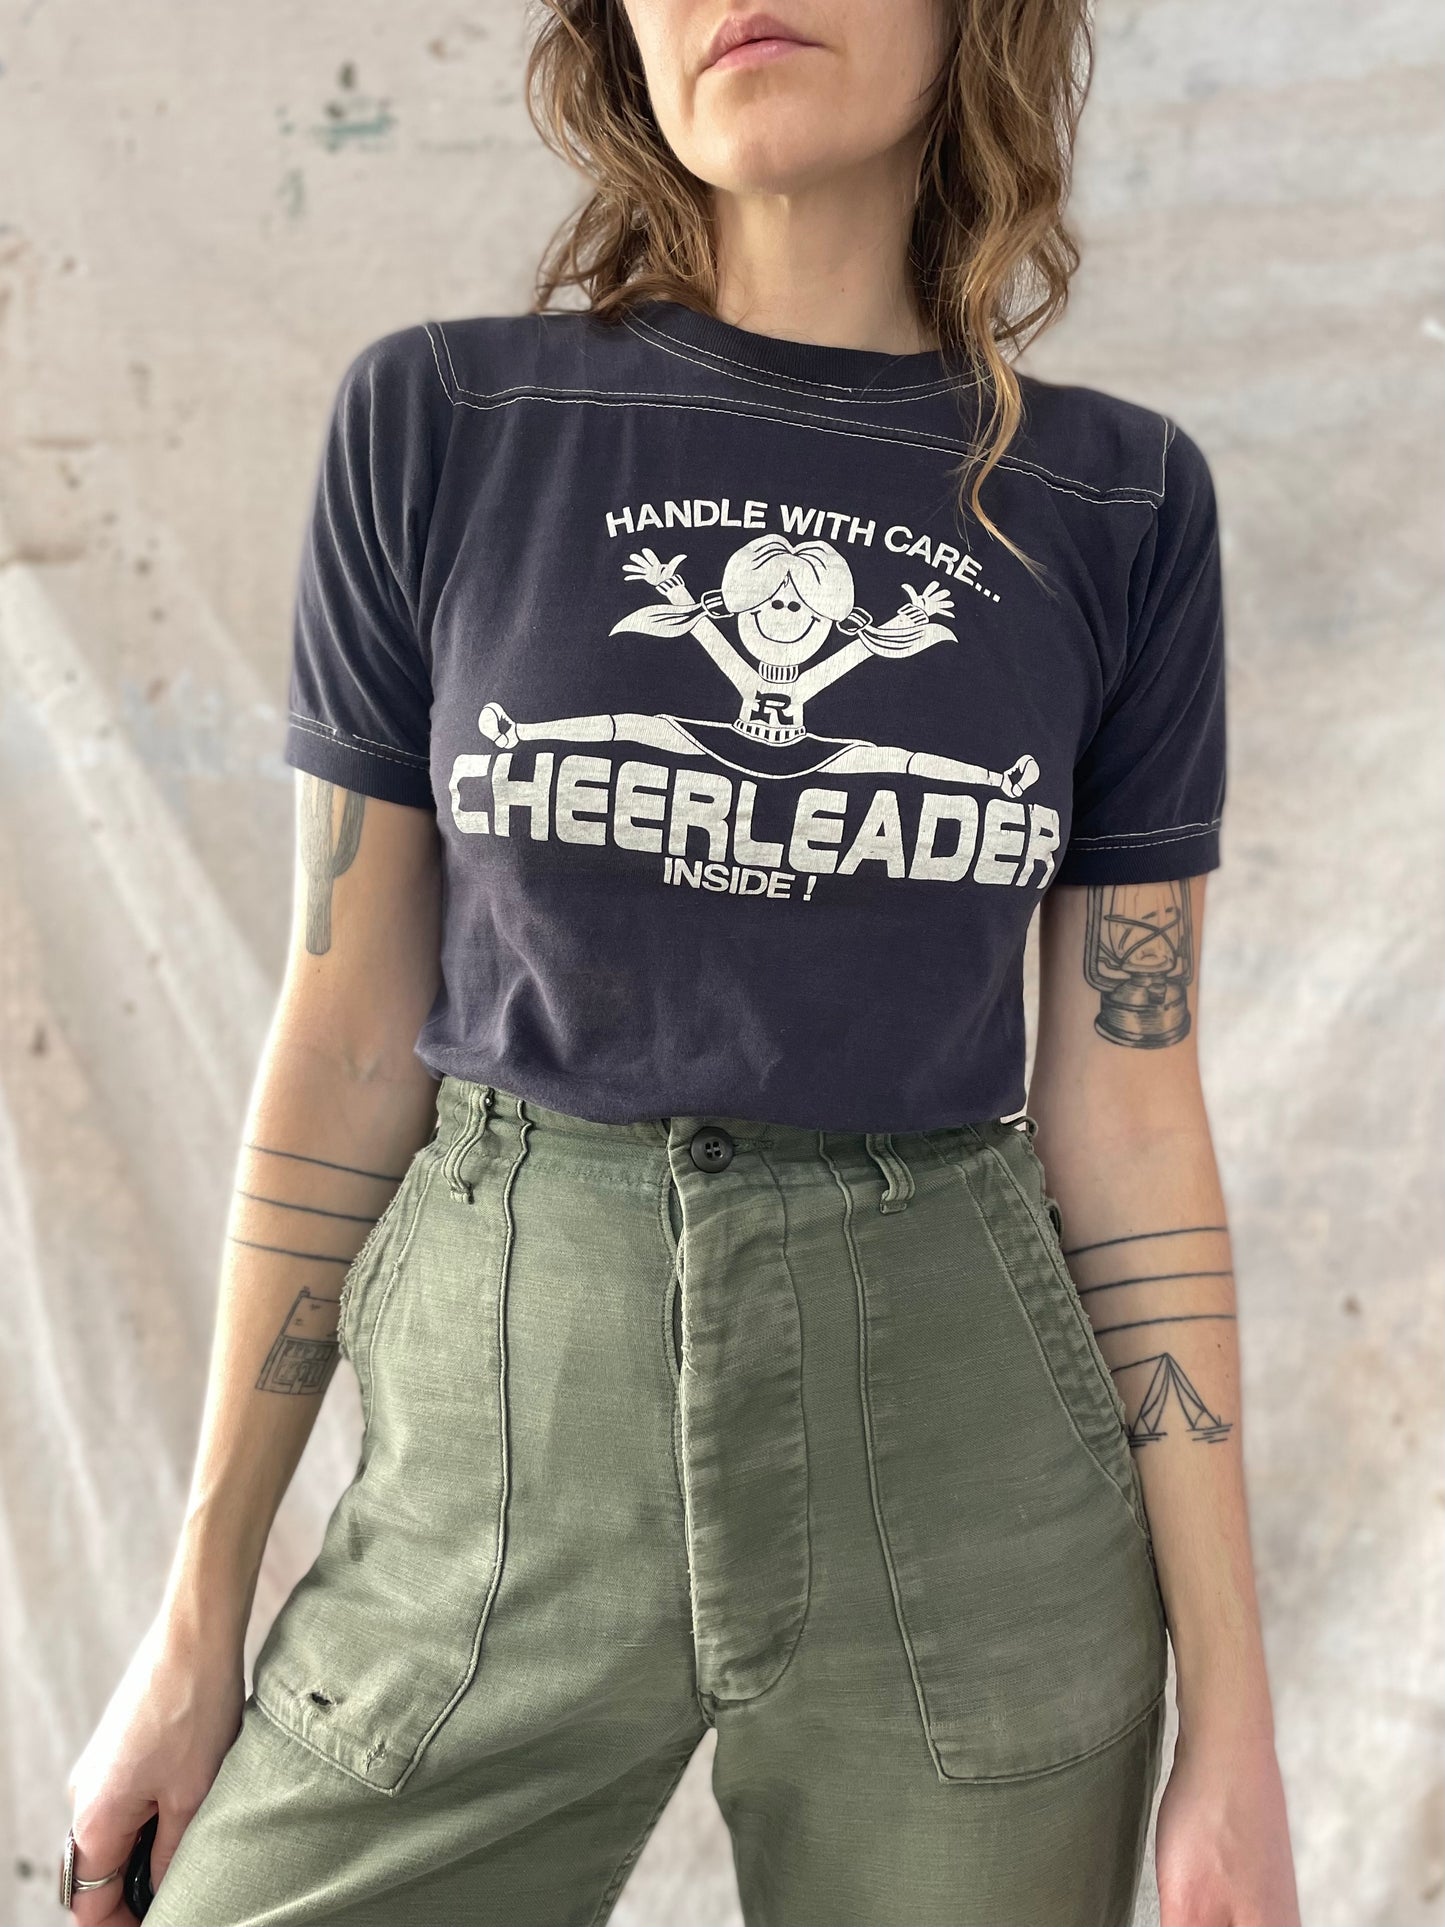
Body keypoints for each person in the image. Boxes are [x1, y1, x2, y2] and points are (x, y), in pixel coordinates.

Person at [60, 2, 1302, 1923]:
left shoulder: (1112, 502)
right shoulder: (449, 426)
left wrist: (1233, 1721)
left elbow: (1130, 1112)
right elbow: (344, 1042)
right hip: (499, 1463)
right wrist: (193, 1616)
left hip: (964, 1487)